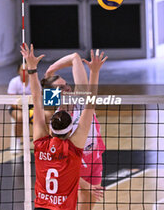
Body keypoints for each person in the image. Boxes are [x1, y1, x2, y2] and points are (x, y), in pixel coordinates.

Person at [20, 43, 107, 210]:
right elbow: (63, 164)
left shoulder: (80, 97)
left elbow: (75, 57)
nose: (67, 88)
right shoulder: (56, 118)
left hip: (94, 156)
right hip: (76, 158)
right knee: (79, 196)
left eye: (66, 84)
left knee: (89, 204)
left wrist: (50, 70)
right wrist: (95, 73)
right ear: (53, 95)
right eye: (60, 88)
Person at [7, 60, 32, 153]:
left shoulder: (34, 81)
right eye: (23, 70)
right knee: (20, 117)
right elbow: (11, 100)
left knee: (43, 117)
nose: (25, 72)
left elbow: (38, 97)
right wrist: (19, 107)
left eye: (27, 70)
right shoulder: (14, 82)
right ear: (18, 71)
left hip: (31, 107)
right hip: (16, 107)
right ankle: (17, 143)